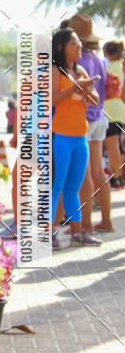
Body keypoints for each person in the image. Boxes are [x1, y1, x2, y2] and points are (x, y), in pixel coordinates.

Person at [51, 28, 101, 249]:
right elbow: (51, 99)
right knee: (56, 187)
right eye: (74, 43)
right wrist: (75, 87)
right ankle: (48, 235)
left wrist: (88, 89)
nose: (80, 46)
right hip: (60, 136)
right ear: (61, 47)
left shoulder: (80, 70)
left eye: (80, 43)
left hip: (80, 137)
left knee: (73, 188)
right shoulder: (55, 71)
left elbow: (95, 100)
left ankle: (78, 233)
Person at [68, 14, 113, 234]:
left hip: (83, 121)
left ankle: (85, 224)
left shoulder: (79, 62)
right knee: (99, 171)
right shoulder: (98, 58)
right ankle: (106, 220)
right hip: (100, 118)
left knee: (83, 174)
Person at [102, 40, 125, 188]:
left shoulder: (105, 68)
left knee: (112, 145)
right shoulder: (123, 67)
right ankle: (120, 176)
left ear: (106, 53)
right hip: (121, 107)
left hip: (108, 108)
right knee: (120, 145)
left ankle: (116, 177)